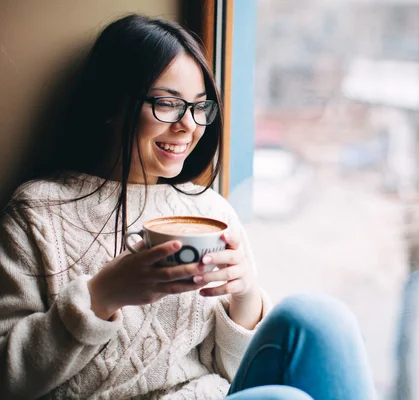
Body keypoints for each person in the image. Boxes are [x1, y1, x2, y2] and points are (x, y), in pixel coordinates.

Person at [0, 14, 376, 400]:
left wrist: (244, 296)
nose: (189, 125)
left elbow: (234, 371)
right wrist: (103, 296)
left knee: (319, 317)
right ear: (111, 103)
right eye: (167, 104)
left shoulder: (209, 211)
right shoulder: (38, 212)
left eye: (199, 107)